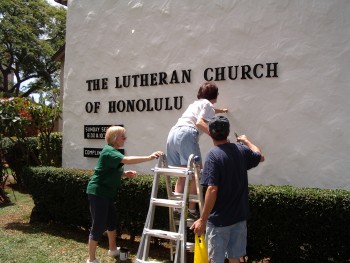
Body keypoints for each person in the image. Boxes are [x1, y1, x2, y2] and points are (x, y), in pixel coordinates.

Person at [190, 116, 265, 263]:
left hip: (219, 221)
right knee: (235, 258)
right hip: (239, 217)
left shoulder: (213, 156)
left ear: (210, 133)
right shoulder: (241, 150)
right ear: (228, 131)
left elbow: (212, 189)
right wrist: (246, 141)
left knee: (215, 260)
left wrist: (202, 220)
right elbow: (260, 156)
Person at [86, 125, 163, 263]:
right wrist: (149, 157)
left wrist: (124, 173)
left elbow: (108, 170)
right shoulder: (109, 151)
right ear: (115, 138)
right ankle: (91, 259)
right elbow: (127, 160)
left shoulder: (112, 151)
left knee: (111, 221)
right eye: (123, 136)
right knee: (98, 225)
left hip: (106, 193)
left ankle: (112, 249)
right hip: (98, 192)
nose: (125, 139)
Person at [166, 81, 228, 219]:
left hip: (173, 134)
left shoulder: (196, 104)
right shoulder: (209, 105)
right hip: (187, 133)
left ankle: (177, 209)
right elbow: (200, 122)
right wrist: (217, 137)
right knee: (196, 173)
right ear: (215, 95)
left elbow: (205, 111)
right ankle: (193, 210)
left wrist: (220, 111)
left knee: (182, 174)